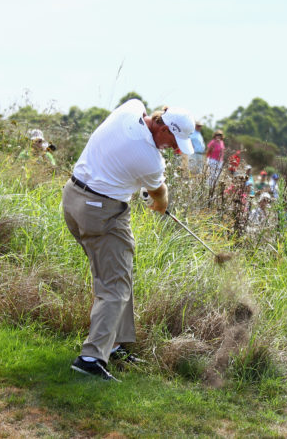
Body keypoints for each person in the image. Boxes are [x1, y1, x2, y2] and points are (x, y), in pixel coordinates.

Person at [63, 99, 195, 381]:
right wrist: (159, 203)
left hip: (74, 198)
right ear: (162, 128)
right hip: (100, 212)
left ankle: (114, 343)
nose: (174, 149)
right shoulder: (150, 159)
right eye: (174, 141)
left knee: (118, 274)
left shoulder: (132, 108)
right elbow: (160, 196)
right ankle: (90, 359)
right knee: (114, 285)